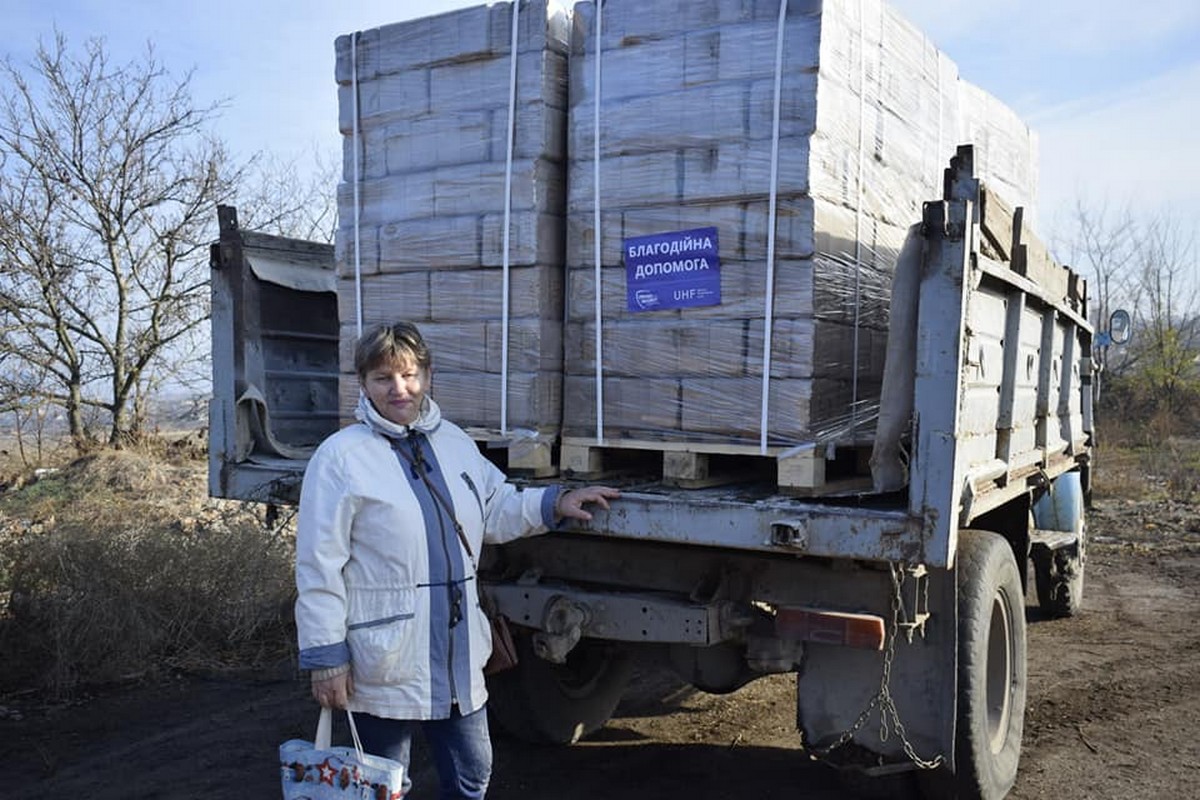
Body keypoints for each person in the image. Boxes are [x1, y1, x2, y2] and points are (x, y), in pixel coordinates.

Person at [294, 321, 619, 799]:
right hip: (385, 655)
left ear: (427, 375)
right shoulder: (340, 459)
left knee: (473, 773)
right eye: (383, 378)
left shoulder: (453, 443)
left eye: (409, 375)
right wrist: (326, 659)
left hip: (458, 648)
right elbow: (318, 566)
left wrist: (554, 503)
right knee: (388, 784)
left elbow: (495, 508)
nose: (399, 389)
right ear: (363, 384)